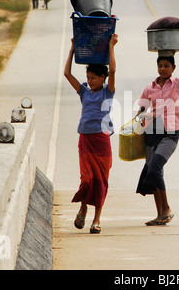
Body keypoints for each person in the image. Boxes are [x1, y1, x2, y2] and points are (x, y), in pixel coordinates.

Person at [137, 28, 179, 226]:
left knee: (155, 167)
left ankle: (167, 209)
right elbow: (141, 111)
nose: (163, 69)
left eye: (166, 66)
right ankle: (160, 214)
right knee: (154, 171)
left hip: (170, 134)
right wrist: (142, 117)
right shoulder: (150, 88)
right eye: (160, 65)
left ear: (173, 68)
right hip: (152, 133)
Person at [63, 34, 118, 233]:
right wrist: (71, 50)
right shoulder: (84, 92)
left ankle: (97, 219)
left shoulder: (107, 92)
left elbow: (112, 69)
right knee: (86, 179)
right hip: (85, 139)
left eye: (93, 78)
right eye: (87, 78)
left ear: (102, 78)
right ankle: (83, 208)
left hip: (101, 141)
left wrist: (111, 46)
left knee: (101, 180)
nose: (89, 81)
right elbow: (67, 74)